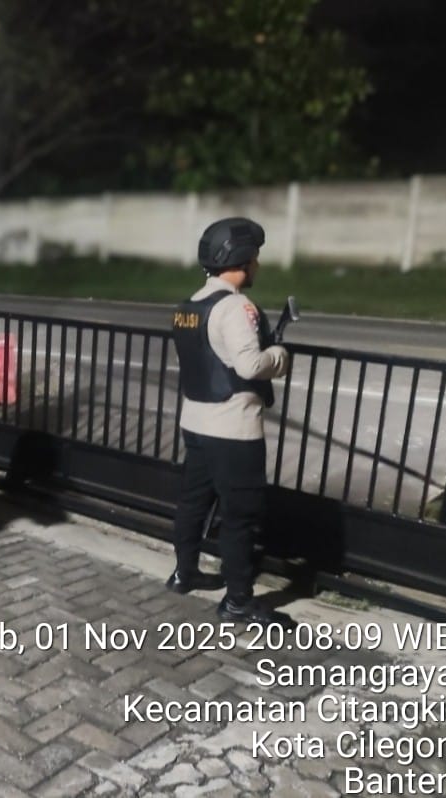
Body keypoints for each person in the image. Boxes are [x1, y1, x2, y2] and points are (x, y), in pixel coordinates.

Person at [169, 217, 292, 626]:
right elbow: (250, 364)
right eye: (254, 257)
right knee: (241, 516)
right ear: (240, 259)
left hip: (196, 422)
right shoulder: (237, 307)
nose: (257, 264)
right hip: (233, 429)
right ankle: (238, 601)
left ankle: (184, 573)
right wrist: (280, 357)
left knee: (193, 503)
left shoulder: (189, 305)